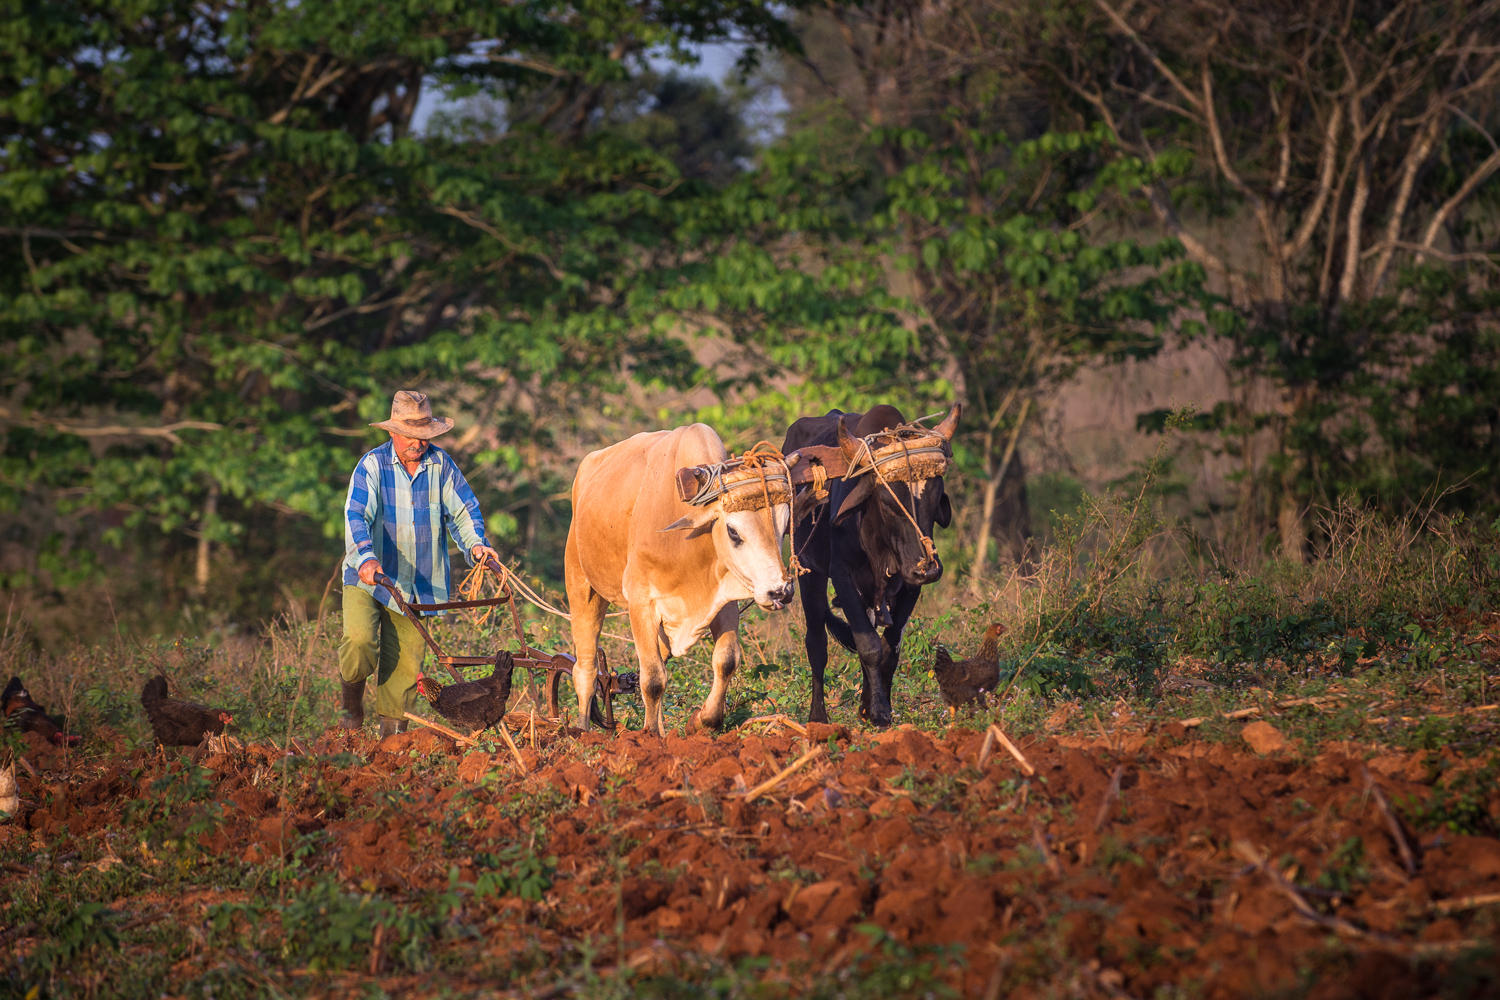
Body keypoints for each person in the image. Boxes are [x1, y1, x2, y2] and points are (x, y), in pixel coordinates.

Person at [339, 391, 500, 738]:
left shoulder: (441, 465)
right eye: (410, 435)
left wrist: (477, 545)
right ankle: (351, 708)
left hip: (417, 582)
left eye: (424, 435)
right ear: (392, 431)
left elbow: (464, 511)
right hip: (369, 576)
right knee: (359, 643)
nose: (418, 443)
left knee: (405, 669)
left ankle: (391, 742)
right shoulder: (372, 465)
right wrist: (367, 557)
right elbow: (356, 515)